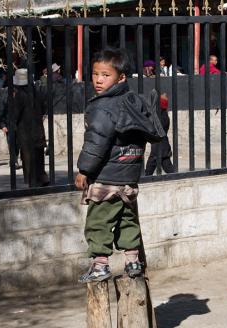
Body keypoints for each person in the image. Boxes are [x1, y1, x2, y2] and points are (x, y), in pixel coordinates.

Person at [75, 48, 163, 283]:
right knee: (127, 220)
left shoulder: (103, 107)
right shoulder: (135, 102)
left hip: (106, 178)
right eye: (95, 74)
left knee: (98, 222)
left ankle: (100, 265)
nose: (98, 80)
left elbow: (96, 141)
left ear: (121, 77)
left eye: (105, 75)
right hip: (130, 177)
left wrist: (84, 169)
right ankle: (132, 261)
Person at [13, 68, 49, 187]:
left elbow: (15, 114)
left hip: (26, 131)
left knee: (28, 156)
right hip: (38, 129)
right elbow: (44, 108)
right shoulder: (36, 92)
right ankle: (42, 177)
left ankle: (32, 180)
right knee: (39, 154)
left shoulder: (20, 95)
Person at [145, 93, 175, 175]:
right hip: (161, 143)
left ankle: (146, 176)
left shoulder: (161, 116)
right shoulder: (162, 115)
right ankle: (147, 175)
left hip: (160, 143)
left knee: (155, 159)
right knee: (165, 162)